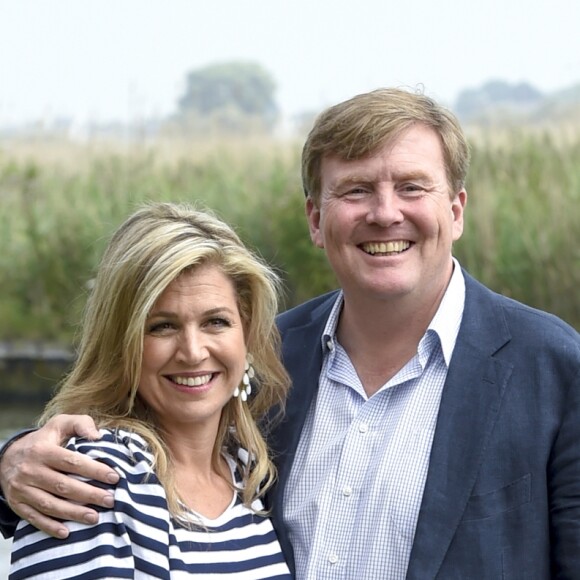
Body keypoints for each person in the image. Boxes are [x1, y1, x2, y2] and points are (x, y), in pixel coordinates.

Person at [2, 88, 580, 578]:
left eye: (412, 186)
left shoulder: (554, 369)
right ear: (314, 218)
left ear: (456, 210)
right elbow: (144, 430)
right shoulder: (268, 356)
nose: (384, 213)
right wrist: (11, 461)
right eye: (355, 190)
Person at [5, 202, 292, 578]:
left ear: (247, 335)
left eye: (216, 322)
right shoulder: (96, 475)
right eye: (162, 326)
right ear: (121, 344)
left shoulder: (248, 474)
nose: (193, 352)